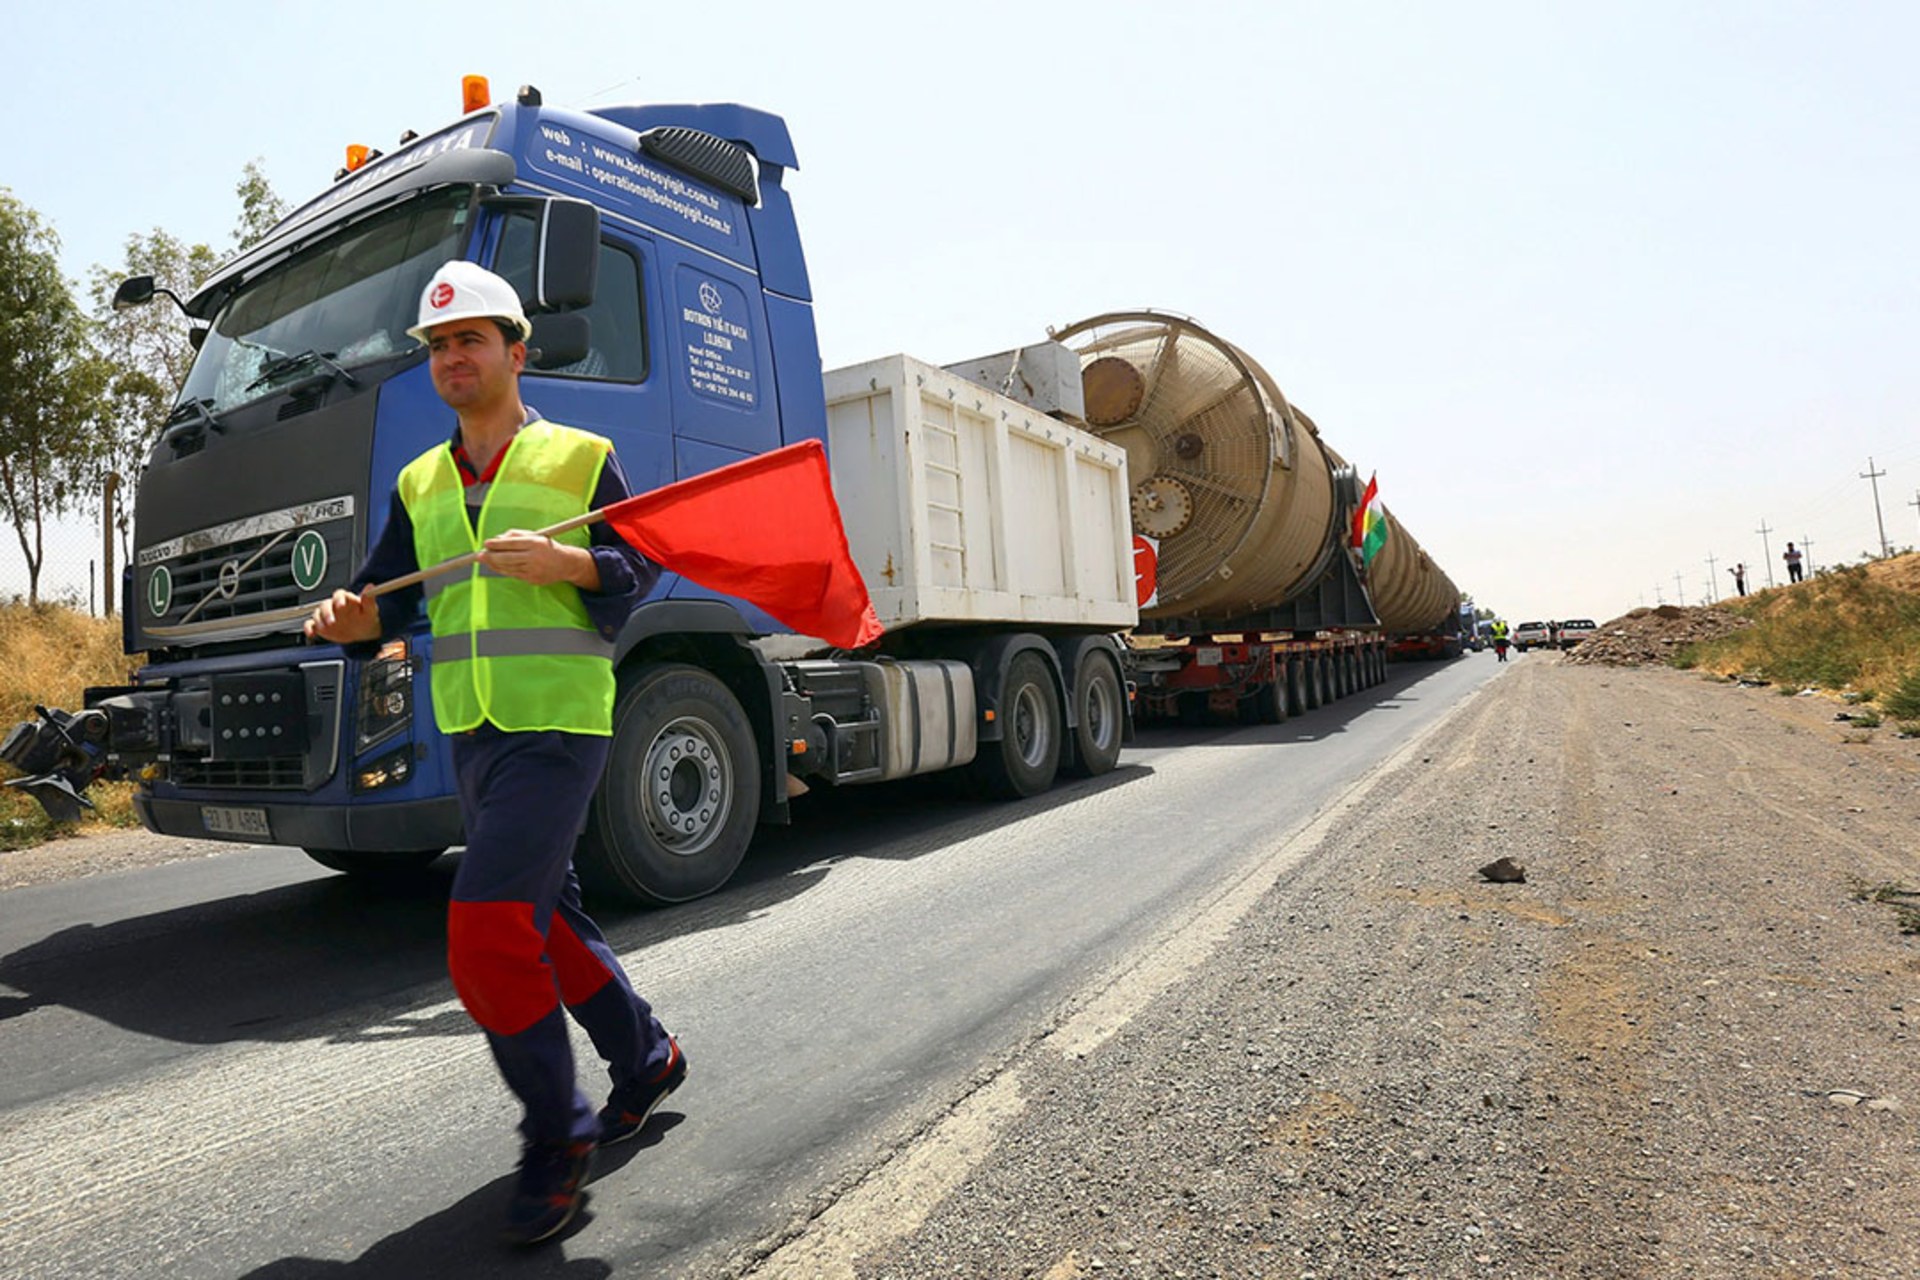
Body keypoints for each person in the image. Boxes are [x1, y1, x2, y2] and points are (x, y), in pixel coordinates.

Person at [306, 261, 685, 1246]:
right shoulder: (422, 480)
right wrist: (351, 619)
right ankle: (647, 1057)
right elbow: (388, 598)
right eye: (437, 345)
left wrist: (570, 561)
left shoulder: (579, 457)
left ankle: (556, 1139)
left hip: (559, 725)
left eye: (470, 339)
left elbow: (638, 564)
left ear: (517, 352)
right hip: (472, 727)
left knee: (483, 924)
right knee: (545, 914)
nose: (451, 357)